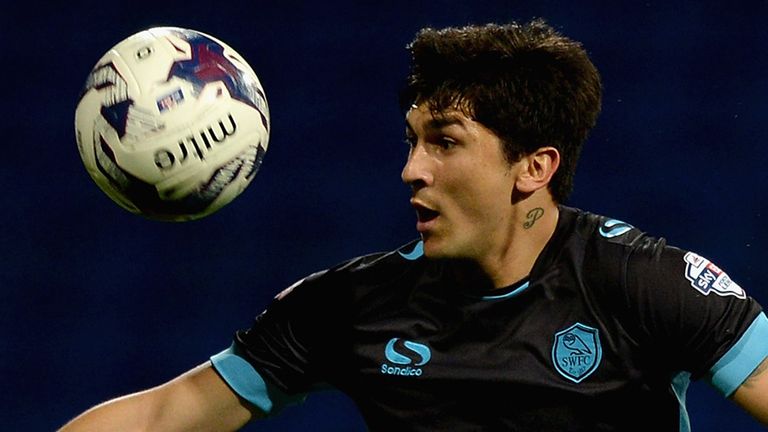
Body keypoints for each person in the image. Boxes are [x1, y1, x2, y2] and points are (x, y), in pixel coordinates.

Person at [60, 19, 768, 431]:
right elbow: (168, 414)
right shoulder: (352, 308)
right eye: (412, 141)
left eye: (446, 142)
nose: (412, 170)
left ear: (533, 167)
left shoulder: (640, 284)